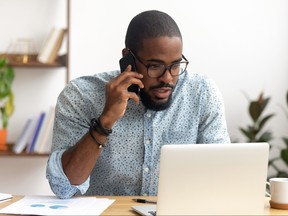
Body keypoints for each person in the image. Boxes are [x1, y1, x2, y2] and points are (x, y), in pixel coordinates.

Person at [46, 10, 230, 199]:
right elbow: (64, 187)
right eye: (155, 66)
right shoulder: (81, 95)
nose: (167, 78)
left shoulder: (201, 93)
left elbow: (223, 177)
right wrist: (105, 121)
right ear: (128, 58)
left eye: (175, 65)